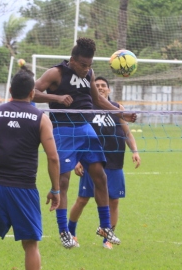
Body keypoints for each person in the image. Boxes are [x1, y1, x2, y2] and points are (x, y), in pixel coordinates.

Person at [32, 37, 137, 249]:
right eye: (82, 65)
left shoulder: (88, 73)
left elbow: (98, 101)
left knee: (100, 175)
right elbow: (31, 92)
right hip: (63, 130)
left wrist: (121, 113)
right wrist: (57, 98)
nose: (86, 69)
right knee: (63, 180)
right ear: (72, 60)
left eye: (89, 65)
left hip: (86, 129)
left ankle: (106, 226)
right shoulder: (56, 73)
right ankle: (64, 231)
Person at [0, 71, 60, 270]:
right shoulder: (41, 118)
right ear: (32, 93)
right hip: (24, 189)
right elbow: (53, 157)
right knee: (31, 245)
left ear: (9, 91)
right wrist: (56, 189)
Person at [68, 76, 141, 249]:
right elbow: (77, 136)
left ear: (108, 90)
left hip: (115, 161)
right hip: (91, 161)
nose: (100, 88)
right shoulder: (87, 108)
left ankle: (107, 238)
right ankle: (71, 232)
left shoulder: (117, 108)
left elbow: (127, 134)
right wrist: (77, 160)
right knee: (82, 199)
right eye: (97, 85)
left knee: (114, 201)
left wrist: (135, 151)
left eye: (103, 86)